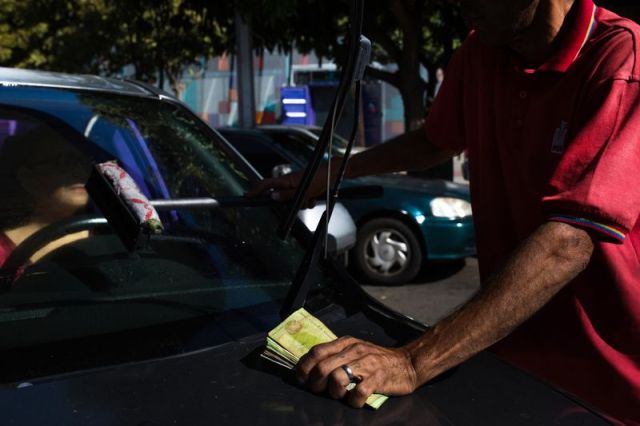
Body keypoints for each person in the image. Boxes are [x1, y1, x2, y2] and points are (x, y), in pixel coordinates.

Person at [248, 0, 640, 423]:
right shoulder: (480, 53)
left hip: (610, 389)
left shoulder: (623, 59)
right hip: (507, 361)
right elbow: (435, 140)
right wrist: (327, 174)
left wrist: (414, 362)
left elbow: (570, 240)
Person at [0, 125, 91, 268]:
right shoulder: (2, 252)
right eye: (65, 162)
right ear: (27, 177)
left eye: (84, 163)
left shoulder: (114, 234)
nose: (79, 172)